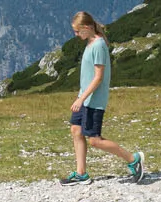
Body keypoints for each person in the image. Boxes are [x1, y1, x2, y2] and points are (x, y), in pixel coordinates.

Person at [60, 11, 146, 185]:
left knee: (95, 140)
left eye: (78, 31)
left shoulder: (98, 45)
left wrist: (81, 98)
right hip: (85, 98)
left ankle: (132, 159)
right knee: (76, 130)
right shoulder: (91, 41)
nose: (76, 35)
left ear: (87, 28)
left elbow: (98, 77)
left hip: (93, 100)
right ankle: (81, 173)